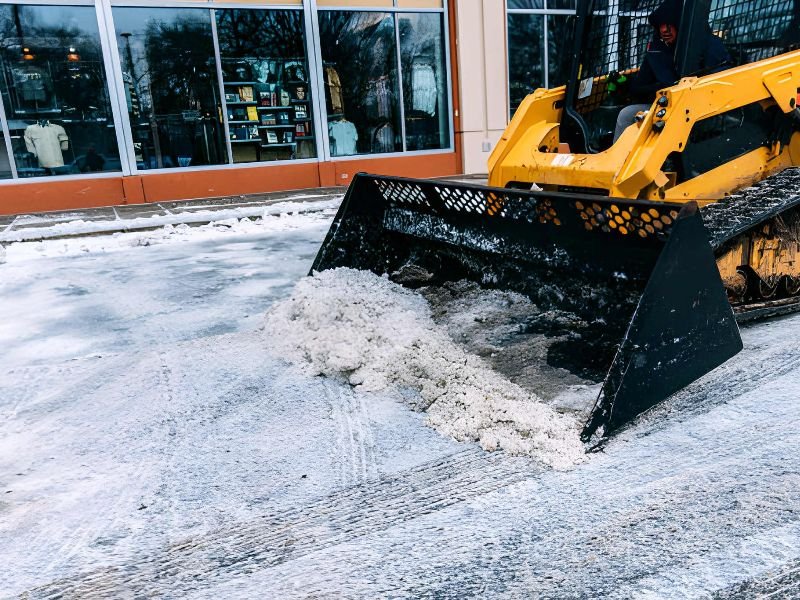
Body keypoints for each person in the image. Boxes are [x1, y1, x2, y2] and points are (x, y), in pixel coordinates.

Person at [613, 0, 731, 141]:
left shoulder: (710, 46)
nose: (664, 30)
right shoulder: (657, 51)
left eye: (669, 25)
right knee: (626, 114)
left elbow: (721, 85)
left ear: (681, 24)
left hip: (699, 111)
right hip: (662, 108)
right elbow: (639, 86)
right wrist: (631, 85)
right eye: (661, 25)